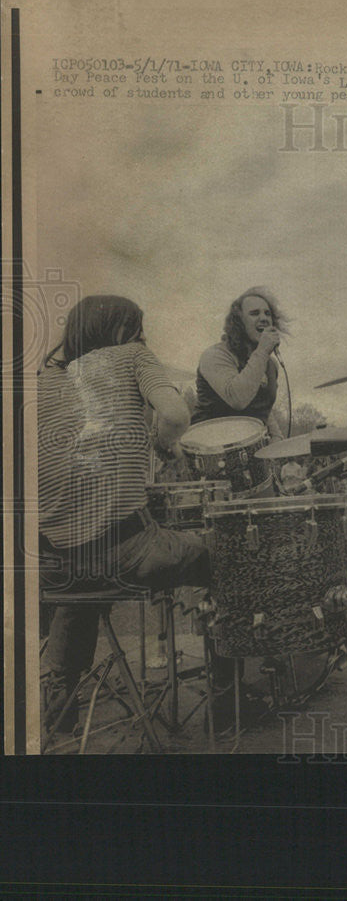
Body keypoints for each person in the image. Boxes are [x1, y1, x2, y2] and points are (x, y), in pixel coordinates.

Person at [36, 296, 225, 732]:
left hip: (56, 564)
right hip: (131, 551)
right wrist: (162, 442)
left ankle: (60, 705)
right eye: (138, 329)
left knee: (81, 588)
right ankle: (231, 691)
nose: (143, 337)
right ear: (123, 331)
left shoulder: (40, 381)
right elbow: (176, 413)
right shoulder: (132, 356)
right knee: (224, 557)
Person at [191, 287, 286, 439]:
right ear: (239, 321)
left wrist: (277, 437)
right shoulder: (215, 355)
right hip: (210, 450)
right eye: (255, 313)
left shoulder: (269, 364)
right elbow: (238, 399)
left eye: (267, 313)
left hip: (251, 449)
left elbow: (262, 408)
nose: (264, 318)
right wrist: (262, 351)